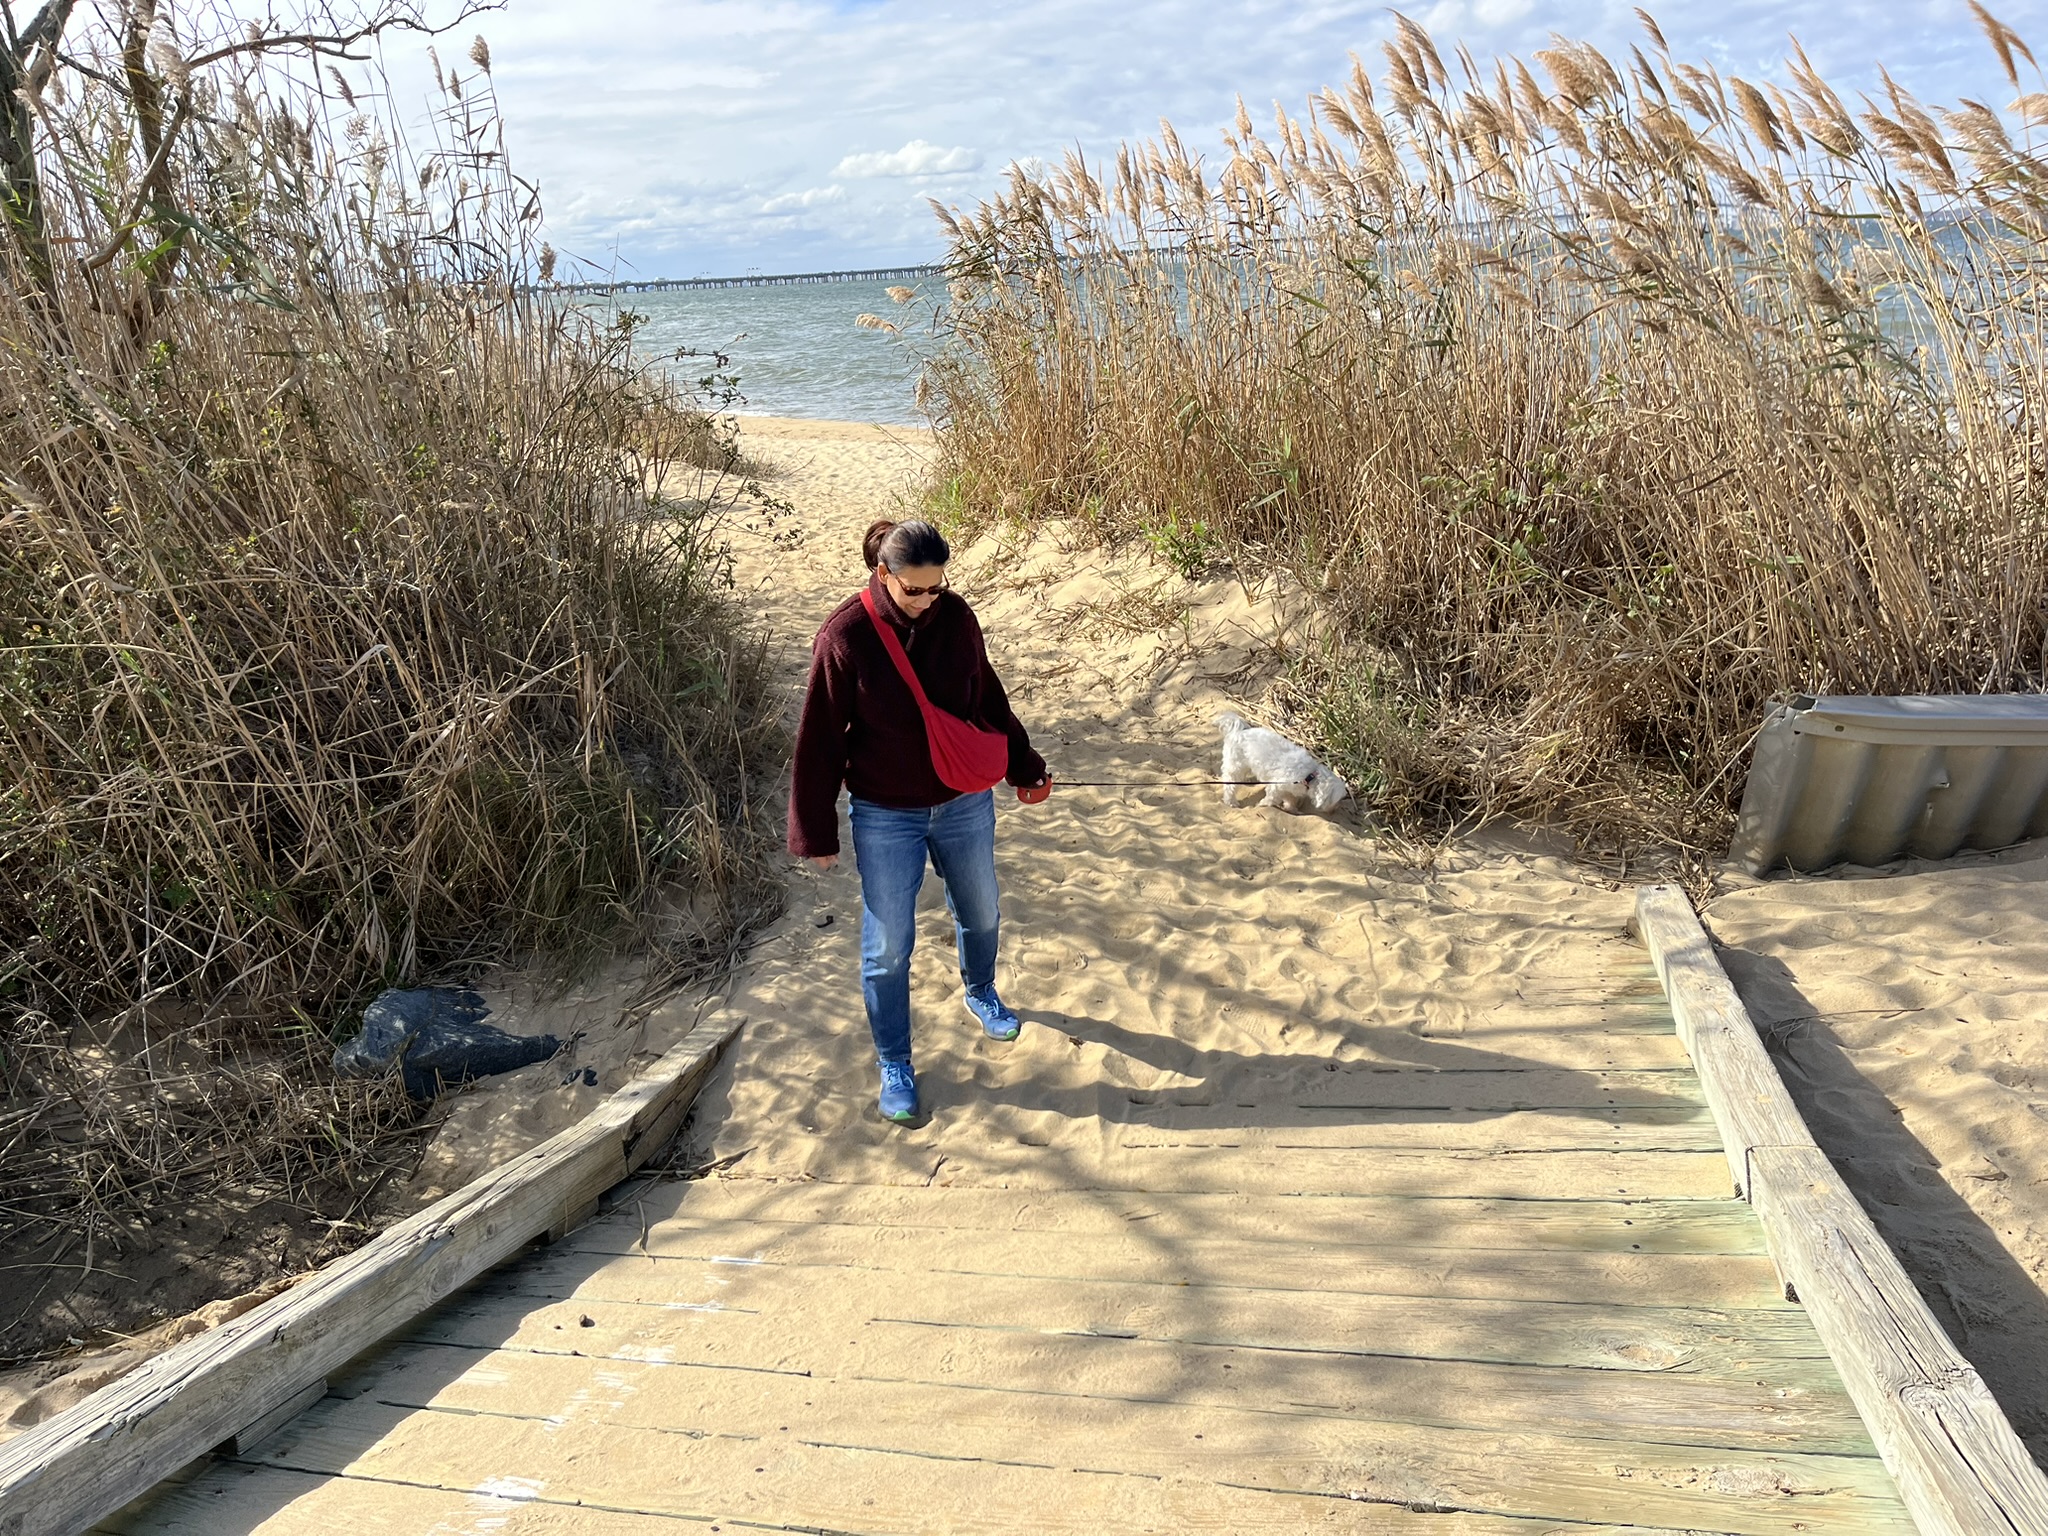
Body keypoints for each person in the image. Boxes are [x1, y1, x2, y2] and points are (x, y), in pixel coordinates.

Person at [788, 518, 1050, 1123]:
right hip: (885, 812)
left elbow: (988, 699)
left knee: (982, 912)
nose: (927, 600)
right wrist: (815, 831)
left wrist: (1025, 766)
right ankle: (895, 1062)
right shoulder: (844, 635)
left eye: (937, 587)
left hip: (963, 801)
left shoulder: (955, 618)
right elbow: (820, 738)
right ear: (883, 574)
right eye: (915, 590)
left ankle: (981, 991)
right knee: (887, 948)